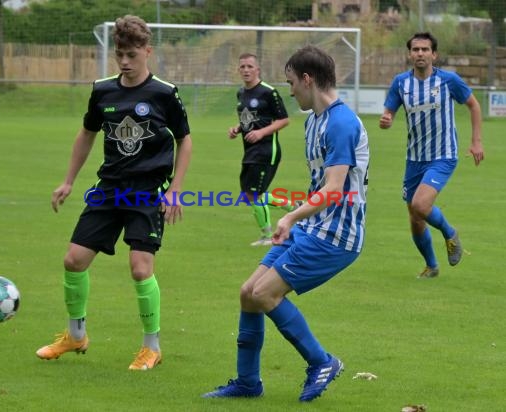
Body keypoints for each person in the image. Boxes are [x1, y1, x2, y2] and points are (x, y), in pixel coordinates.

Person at [203, 45, 369, 402]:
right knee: (249, 293)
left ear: (307, 80)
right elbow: (319, 186)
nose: (290, 90)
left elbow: (335, 188)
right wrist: (296, 218)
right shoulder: (315, 121)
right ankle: (248, 383)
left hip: (335, 236)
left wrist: (291, 215)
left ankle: (322, 361)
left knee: (265, 294)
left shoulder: (341, 123)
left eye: (292, 82)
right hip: (312, 228)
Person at [35, 15, 192, 370]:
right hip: (108, 189)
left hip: (148, 191)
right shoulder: (102, 90)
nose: (124, 61)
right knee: (73, 260)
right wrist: (68, 180)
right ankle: (76, 335)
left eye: (132, 54)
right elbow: (87, 133)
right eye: (120, 54)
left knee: (140, 268)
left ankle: (152, 346)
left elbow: (185, 140)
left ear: (147, 51)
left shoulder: (164, 94)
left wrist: (176, 190)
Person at [379, 32, 484, 278]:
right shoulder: (401, 83)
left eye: (425, 49)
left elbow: (474, 105)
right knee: (415, 217)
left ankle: (450, 233)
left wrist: (476, 141)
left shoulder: (448, 80)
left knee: (420, 205)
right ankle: (432, 266)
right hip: (414, 158)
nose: (420, 54)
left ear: (434, 55)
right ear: (409, 54)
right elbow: (389, 113)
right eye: (416, 49)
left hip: (443, 154)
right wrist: (386, 120)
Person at [228, 53, 291, 246]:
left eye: (249, 66)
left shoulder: (268, 92)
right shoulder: (241, 93)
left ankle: (267, 236)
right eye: (242, 67)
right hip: (250, 150)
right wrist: (237, 129)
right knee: (250, 195)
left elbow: (284, 120)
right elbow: (248, 119)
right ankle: (293, 206)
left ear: (257, 70)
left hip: (266, 150)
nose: (246, 70)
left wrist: (262, 133)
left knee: (254, 194)